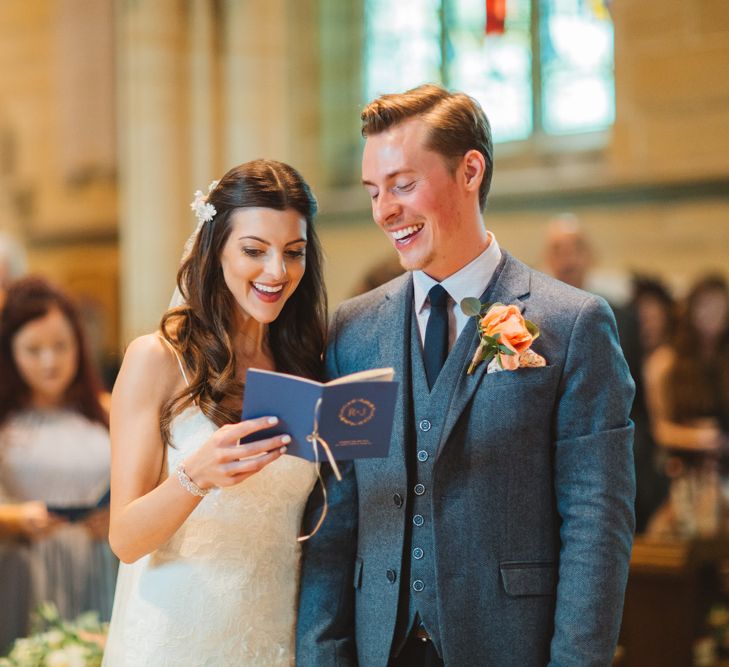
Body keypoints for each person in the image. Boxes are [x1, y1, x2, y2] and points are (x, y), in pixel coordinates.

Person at [297, 84, 636, 666]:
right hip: (380, 648)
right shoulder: (353, 331)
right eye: (374, 191)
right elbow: (335, 515)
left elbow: (596, 527)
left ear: (470, 170)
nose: (384, 211)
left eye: (403, 185)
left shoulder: (572, 324)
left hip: (510, 647)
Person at [102, 159, 325, 666]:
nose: (277, 272)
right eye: (254, 250)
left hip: (278, 635)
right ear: (215, 246)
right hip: (177, 635)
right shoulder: (157, 359)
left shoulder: (306, 366)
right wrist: (196, 474)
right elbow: (125, 539)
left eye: (294, 253)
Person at [0, 276, 116, 651]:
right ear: (10, 352)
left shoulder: (109, 411)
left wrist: (118, 515)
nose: (50, 361)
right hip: (23, 565)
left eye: (61, 346)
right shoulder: (6, 421)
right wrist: (16, 518)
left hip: (97, 563)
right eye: (33, 350)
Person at [644, 275, 729, 538]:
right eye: (705, 306)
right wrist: (703, 439)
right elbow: (659, 429)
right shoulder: (665, 363)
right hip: (683, 473)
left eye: (719, 307)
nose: (712, 315)